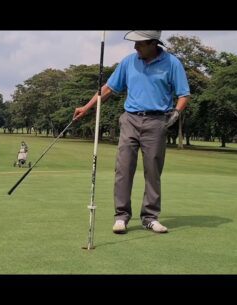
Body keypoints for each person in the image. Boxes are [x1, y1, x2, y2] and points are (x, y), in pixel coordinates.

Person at [73, 31, 190, 234]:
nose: (135, 47)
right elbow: (108, 88)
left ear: (154, 43)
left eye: (140, 44)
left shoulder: (172, 63)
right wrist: (87, 107)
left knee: (153, 171)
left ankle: (150, 217)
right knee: (123, 169)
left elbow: (183, 94)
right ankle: (121, 216)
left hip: (156, 121)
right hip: (130, 119)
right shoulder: (128, 62)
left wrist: (176, 113)